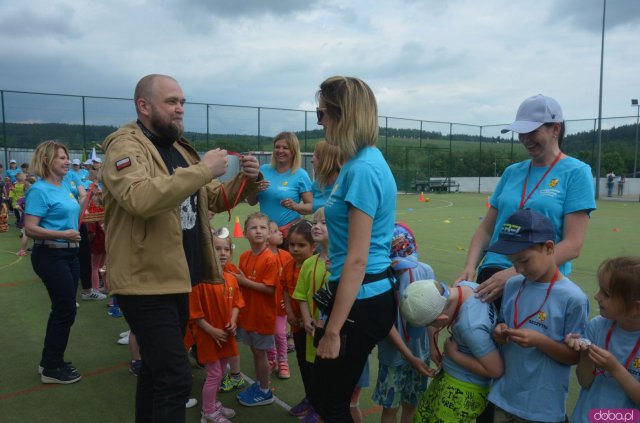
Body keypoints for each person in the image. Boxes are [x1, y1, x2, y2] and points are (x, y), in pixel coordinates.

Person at [100, 74, 262, 423]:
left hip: (178, 279)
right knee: (176, 378)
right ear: (144, 106)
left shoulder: (178, 149)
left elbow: (211, 199)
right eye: (171, 101)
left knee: (156, 373)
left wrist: (245, 178)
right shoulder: (125, 146)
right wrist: (203, 170)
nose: (179, 109)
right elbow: (139, 197)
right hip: (144, 282)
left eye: (182, 102)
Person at [309, 76, 398, 423]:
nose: (321, 123)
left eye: (322, 115)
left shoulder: (362, 168)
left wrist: (333, 331)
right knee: (325, 394)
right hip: (362, 295)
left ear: (342, 115)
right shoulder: (363, 161)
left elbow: (358, 259)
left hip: (363, 297)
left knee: (330, 401)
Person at [457, 94, 596, 313]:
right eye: (521, 132)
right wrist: (469, 266)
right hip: (492, 276)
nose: (525, 139)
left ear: (555, 129)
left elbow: (573, 245)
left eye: (532, 131)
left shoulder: (577, 173)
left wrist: (514, 273)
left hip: (537, 281)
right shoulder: (512, 172)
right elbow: (486, 228)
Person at [487, 209, 589, 422]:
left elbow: (574, 357)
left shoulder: (573, 298)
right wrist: (500, 332)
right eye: (513, 262)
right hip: (503, 398)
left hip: (542, 409)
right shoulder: (513, 285)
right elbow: (504, 323)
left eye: (524, 260)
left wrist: (540, 341)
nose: (519, 269)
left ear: (549, 248)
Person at [24, 140, 85, 384]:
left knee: (64, 309)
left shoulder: (64, 186)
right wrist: (63, 234)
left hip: (69, 254)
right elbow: (30, 228)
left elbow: (71, 215)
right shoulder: (39, 189)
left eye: (66, 157)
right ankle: (52, 367)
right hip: (51, 255)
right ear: (48, 161)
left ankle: (49, 361)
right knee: (65, 309)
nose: (67, 161)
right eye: (61, 158)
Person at [565, 256, 640, 422]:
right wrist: (584, 352)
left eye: (606, 293)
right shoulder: (598, 326)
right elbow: (585, 381)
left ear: (636, 308)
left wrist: (614, 368)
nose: (597, 296)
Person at [373, 223, 435, 423]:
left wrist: (432, 348)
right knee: (392, 408)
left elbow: (432, 311)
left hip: (418, 353)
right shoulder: (383, 278)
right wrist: (413, 355)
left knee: (410, 405)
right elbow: (385, 324)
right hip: (396, 355)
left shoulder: (425, 271)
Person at [190, 233, 244, 423]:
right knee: (214, 374)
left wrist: (233, 320)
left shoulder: (231, 278)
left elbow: (237, 303)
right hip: (209, 336)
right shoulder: (200, 281)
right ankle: (208, 412)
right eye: (217, 248)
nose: (222, 253)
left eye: (226, 249)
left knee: (220, 372)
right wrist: (211, 330)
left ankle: (213, 404)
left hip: (225, 335)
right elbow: (195, 315)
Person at [234, 212, 279, 407]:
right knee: (255, 352)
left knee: (261, 354)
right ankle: (261, 385)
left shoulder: (270, 258)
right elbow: (240, 285)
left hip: (262, 317)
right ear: (245, 233)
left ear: (269, 234)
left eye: (262, 228)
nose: (258, 231)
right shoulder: (244, 256)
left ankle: (264, 391)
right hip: (248, 315)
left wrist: (244, 281)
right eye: (254, 228)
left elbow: (270, 289)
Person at [291, 208, 330, 421]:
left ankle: (322, 409)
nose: (316, 226)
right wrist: (306, 320)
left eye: (323, 223)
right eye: (315, 222)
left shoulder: (342, 264)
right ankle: (314, 403)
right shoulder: (308, 263)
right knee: (313, 371)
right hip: (311, 333)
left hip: (332, 334)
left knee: (329, 375)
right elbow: (301, 296)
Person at [247, 131, 312, 243]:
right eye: (277, 147)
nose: (280, 151)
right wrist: (253, 189)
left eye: (285, 148)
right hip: (265, 235)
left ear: (293, 151)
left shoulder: (301, 175)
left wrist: (295, 206)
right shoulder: (263, 170)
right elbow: (251, 202)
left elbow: (312, 207)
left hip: (289, 236)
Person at [281, 220, 315, 381]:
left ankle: (316, 399)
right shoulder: (288, 266)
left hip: (312, 325)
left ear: (313, 247)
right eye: (292, 244)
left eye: (301, 245)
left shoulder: (314, 267)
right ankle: (309, 397)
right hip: (296, 324)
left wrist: (306, 319)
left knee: (314, 363)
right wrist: (289, 312)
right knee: (302, 360)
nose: (295, 249)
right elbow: (286, 289)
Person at [265, 220, 295, 379]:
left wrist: (288, 300)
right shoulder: (261, 256)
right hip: (265, 306)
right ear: (266, 236)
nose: (281, 233)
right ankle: (271, 360)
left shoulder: (286, 256)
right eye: (276, 231)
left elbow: (290, 282)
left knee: (279, 333)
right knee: (269, 334)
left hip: (281, 305)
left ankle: (283, 361)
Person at [281, 140, 341, 215]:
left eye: (315, 156)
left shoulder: (345, 185)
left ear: (326, 159)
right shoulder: (317, 185)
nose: (311, 160)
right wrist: (294, 206)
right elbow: (313, 208)